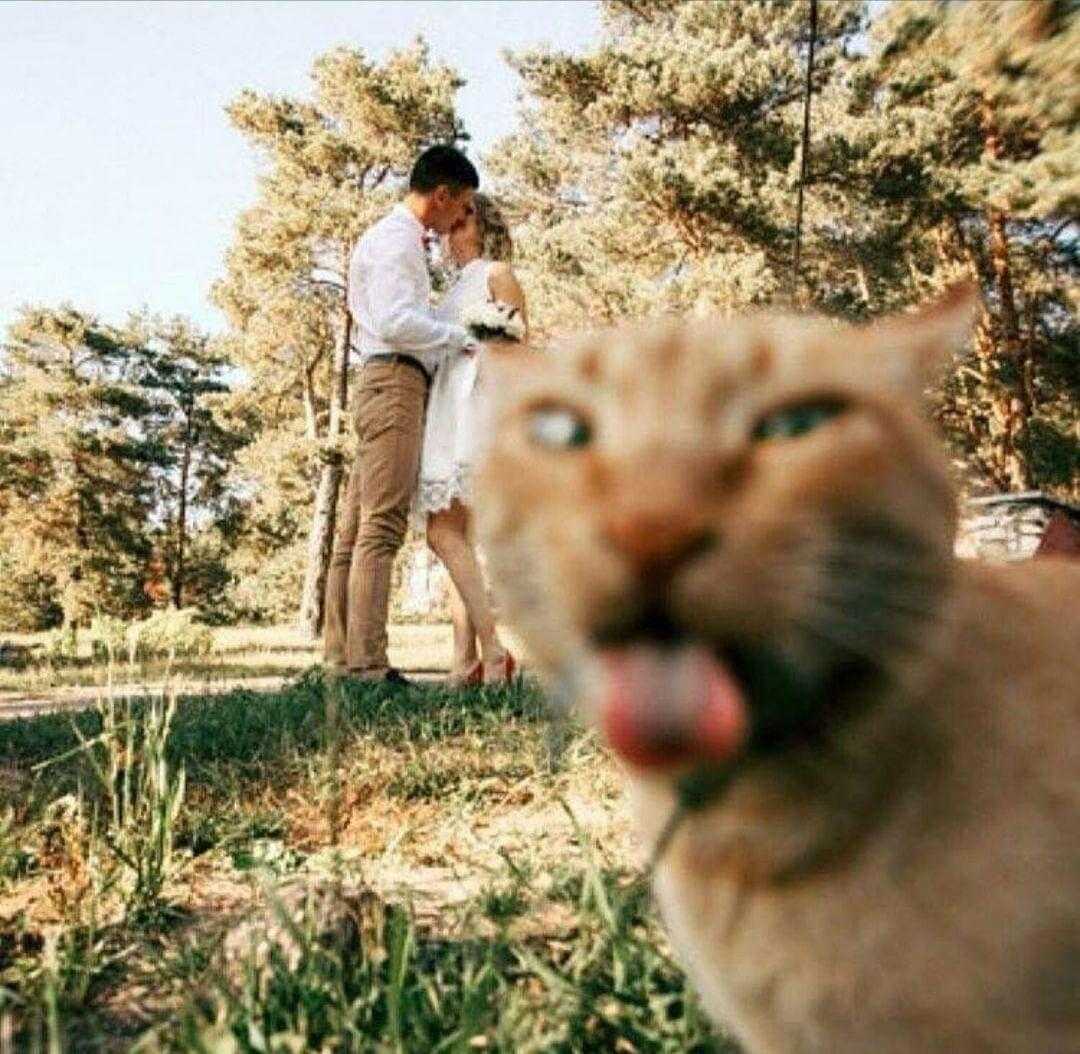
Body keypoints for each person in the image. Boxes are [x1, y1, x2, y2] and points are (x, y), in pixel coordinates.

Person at [324, 145, 479, 686]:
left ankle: (339, 656)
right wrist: (459, 337)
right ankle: (367, 665)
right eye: (461, 206)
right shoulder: (395, 241)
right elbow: (394, 320)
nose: (461, 219)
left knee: (355, 527)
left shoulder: (398, 240)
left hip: (382, 378)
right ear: (442, 195)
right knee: (381, 524)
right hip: (393, 379)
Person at [415, 193, 527, 685]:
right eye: (451, 224)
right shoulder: (451, 288)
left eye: (465, 222)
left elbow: (517, 349)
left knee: (442, 533)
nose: (453, 231)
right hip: (446, 405)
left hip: (475, 408)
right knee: (456, 537)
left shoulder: (496, 272)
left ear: (485, 228)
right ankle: (463, 663)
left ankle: (494, 648)